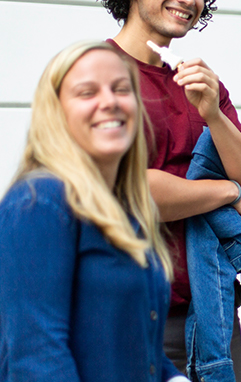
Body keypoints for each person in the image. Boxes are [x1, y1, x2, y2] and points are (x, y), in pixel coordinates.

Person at [100, 0, 241, 380]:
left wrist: (214, 114)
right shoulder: (95, 73)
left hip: (209, 312)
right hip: (127, 312)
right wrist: (228, 192)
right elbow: (128, 191)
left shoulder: (197, 82)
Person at [0, 41, 187, 381]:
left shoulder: (124, 207)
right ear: (55, 112)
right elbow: (37, 357)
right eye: (87, 93)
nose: (109, 102)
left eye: (121, 89)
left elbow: (140, 348)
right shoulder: (38, 202)